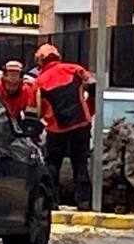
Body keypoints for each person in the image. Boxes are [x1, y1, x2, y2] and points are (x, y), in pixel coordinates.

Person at [33, 43, 95, 211]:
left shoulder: (40, 81)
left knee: (53, 165)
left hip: (56, 130)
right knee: (80, 164)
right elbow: (93, 85)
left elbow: (35, 109)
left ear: (40, 61)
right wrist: (89, 110)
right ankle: (84, 203)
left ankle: (53, 204)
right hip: (81, 126)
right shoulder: (75, 69)